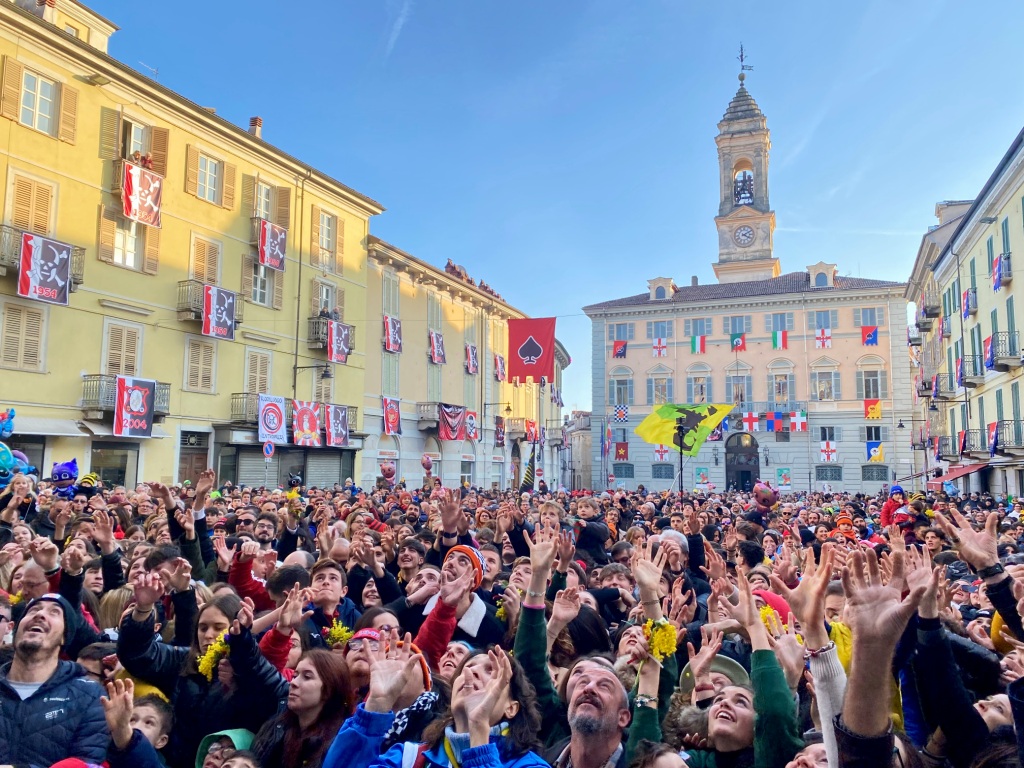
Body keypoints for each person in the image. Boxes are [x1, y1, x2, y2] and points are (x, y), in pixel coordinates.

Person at [323, 635, 546, 768]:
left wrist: (479, 729)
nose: (473, 672)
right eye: (468, 667)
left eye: (491, 671)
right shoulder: (408, 758)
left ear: (511, 707)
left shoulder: (531, 765)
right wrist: (376, 707)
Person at [0, 593, 109, 765]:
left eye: (54, 612)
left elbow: (87, 762)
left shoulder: (90, 696)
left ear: (65, 636)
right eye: (34, 610)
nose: (40, 614)